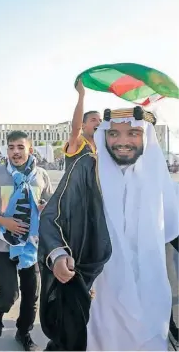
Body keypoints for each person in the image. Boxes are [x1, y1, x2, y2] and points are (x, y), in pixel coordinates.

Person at [38, 107, 179, 351]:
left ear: (145, 136)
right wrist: (58, 254)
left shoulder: (158, 178)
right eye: (114, 134)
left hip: (150, 290)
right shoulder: (87, 169)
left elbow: (174, 230)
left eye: (133, 133)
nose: (122, 142)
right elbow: (52, 215)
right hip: (101, 290)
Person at [0, 131, 53, 351]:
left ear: (30, 149)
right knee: (9, 294)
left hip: (31, 246)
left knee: (31, 294)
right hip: (3, 244)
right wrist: (3, 221)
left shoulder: (41, 175)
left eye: (20, 147)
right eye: (11, 147)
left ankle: (23, 332)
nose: (15, 152)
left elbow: (49, 203)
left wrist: (44, 208)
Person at [63, 79, 101, 171]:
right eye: (93, 120)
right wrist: (81, 95)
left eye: (100, 120)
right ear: (83, 125)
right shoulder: (78, 142)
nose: (99, 123)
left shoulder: (99, 147)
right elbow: (76, 128)